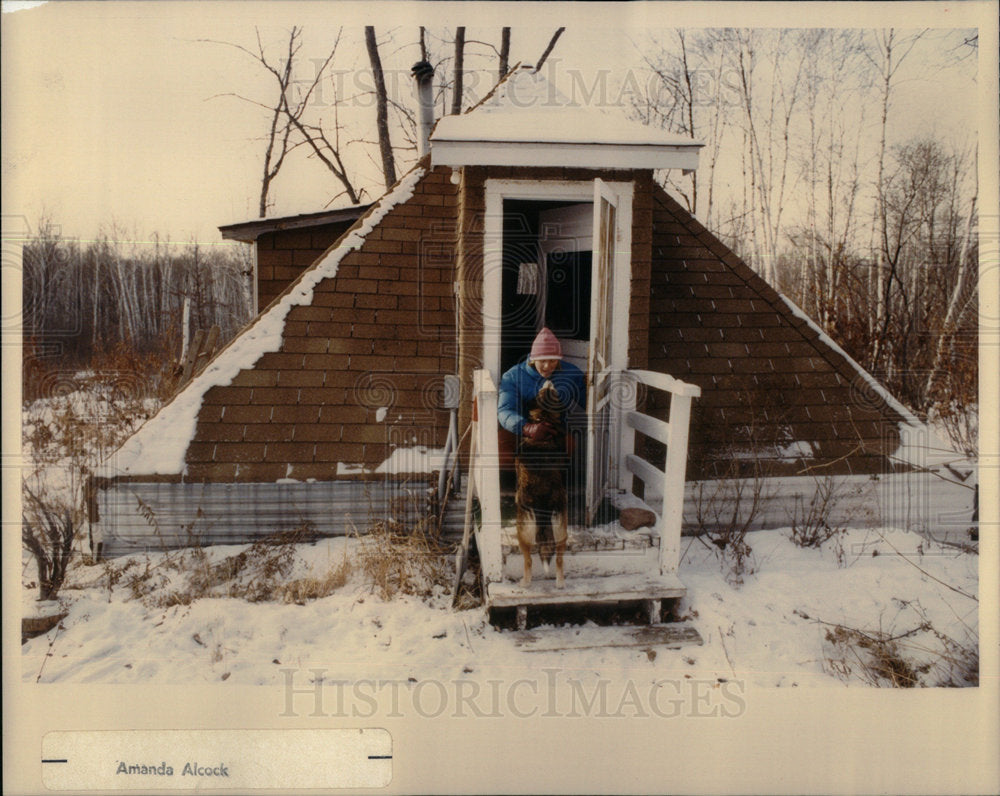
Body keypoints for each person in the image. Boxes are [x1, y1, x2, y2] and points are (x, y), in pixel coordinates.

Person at [498, 327, 586, 442]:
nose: (547, 366)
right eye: (542, 361)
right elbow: (505, 411)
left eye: (552, 361)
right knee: (503, 448)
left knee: (571, 445)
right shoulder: (513, 376)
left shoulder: (571, 373)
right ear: (533, 359)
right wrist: (527, 428)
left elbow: (589, 402)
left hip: (556, 430)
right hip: (521, 431)